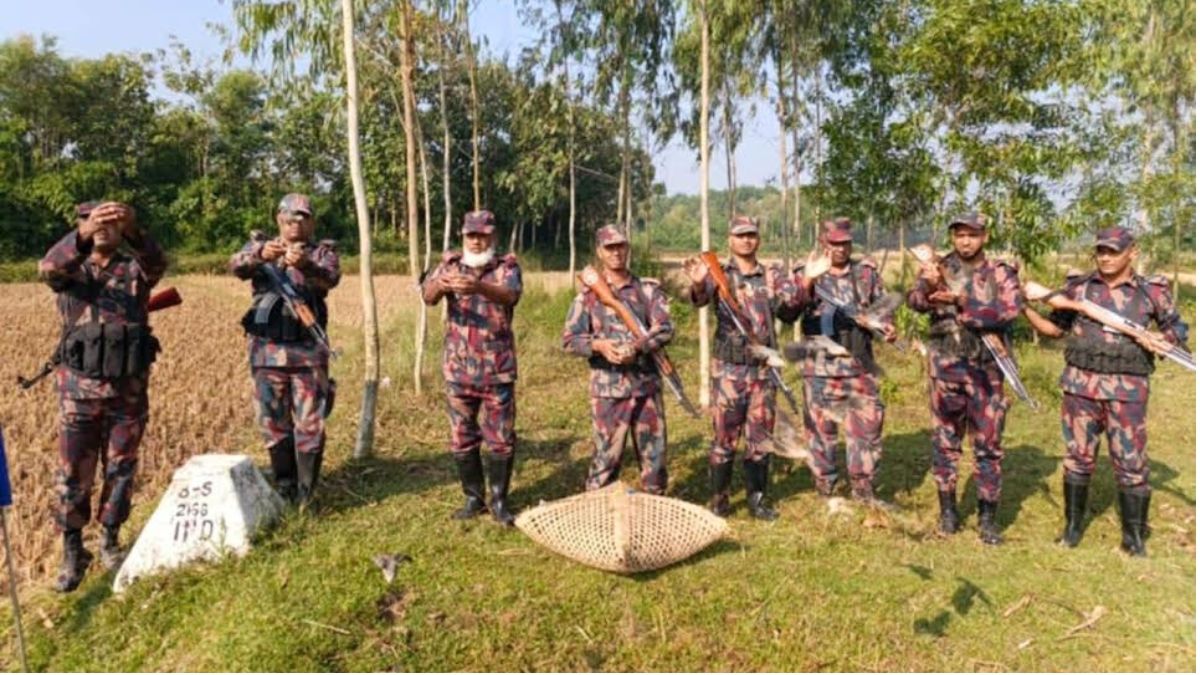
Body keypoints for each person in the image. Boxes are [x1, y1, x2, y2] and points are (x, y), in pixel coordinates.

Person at [1023, 227, 1189, 556]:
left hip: (1127, 392)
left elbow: (1177, 329)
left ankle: (1134, 538)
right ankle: (1072, 529)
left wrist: (1162, 341)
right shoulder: (1078, 288)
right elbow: (1055, 329)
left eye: (1113, 251)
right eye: (1101, 251)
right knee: (1078, 459)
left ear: (1132, 253)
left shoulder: (1151, 292)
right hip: (1080, 389)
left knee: (1131, 463)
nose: (1106, 257)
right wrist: (1022, 308)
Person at [39, 200, 167, 592]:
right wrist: (80, 234)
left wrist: (133, 229)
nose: (103, 228)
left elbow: (157, 263)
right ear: (81, 226)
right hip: (78, 393)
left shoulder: (134, 270)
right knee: (73, 474)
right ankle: (73, 550)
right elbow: (48, 269)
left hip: (127, 393)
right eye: (94, 222)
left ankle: (110, 539)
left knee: (121, 469)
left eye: (111, 223)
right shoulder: (71, 273)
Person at [906, 213, 1021, 545]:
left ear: (984, 236)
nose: (965, 241)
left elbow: (1009, 311)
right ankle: (948, 513)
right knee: (945, 444)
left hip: (986, 372)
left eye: (972, 235)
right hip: (945, 370)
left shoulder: (1000, 272)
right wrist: (927, 285)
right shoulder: (938, 267)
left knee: (988, 448)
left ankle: (987, 519)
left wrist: (962, 301)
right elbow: (915, 304)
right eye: (959, 235)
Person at [683, 216, 798, 520]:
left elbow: (789, 309)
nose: (747, 240)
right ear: (730, 240)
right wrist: (697, 283)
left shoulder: (772, 275)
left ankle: (757, 500)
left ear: (758, 239)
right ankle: (719, 501)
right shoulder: (718, 272)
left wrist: (806, 283)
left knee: (760, 439)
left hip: (763, 371)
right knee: (724, 439)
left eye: (751, 235)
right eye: (740, 235)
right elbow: (700, 299)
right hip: (730, 372)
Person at [230, 193, 340, 509]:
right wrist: (261, 255)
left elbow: (331, 278)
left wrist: (304, 264)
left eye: (303, 217)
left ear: (312, 222)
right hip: (266, 354)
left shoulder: (323, 252)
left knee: (310, 423)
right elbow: (236, 266)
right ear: (279, 218)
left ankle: (307, 493)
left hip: (307, 354)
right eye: (290, 217)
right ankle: (285, 486)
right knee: (273, 422)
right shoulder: (260, 247)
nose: (296, 223)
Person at [422, 210, 523, 525]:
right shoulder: (450, 265)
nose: (477, 241)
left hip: (497, 368)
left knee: (501, 438)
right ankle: (473, 498)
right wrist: (442, 284)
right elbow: (427, 296)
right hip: (459, 369)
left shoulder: (506, 267)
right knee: (462, 436)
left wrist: (478, 287)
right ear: (463, 237)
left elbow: (511, 295)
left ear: (492, 236)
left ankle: (500, 502)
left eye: (482, 235)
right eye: (471, 236)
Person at [791, 218, 896, 503]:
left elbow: (883, 306)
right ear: (824, 242)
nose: (840, 248)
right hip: (820, 365)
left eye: (845, 243)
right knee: (820, 430)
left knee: (867, 428)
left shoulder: (866, 274)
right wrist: (809, 280)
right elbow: (787, 310)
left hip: (859, 363)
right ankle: (825, 487)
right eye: (834, 243)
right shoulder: (806, 272)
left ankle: (863, 489)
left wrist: (885, 324)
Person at [563, 225, 674, 495]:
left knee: (655, 462)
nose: (616, 252)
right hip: (608, 391)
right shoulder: (588, 297)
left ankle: (654, 519)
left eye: (620, 246)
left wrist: (636, 348)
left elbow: (665, 328)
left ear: (628, 248)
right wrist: (599, 345)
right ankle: (598, 520)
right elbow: (569, 340)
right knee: (605, 460)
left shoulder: (648, 291)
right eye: (609, 247)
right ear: (600, 252)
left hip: (646, 387)